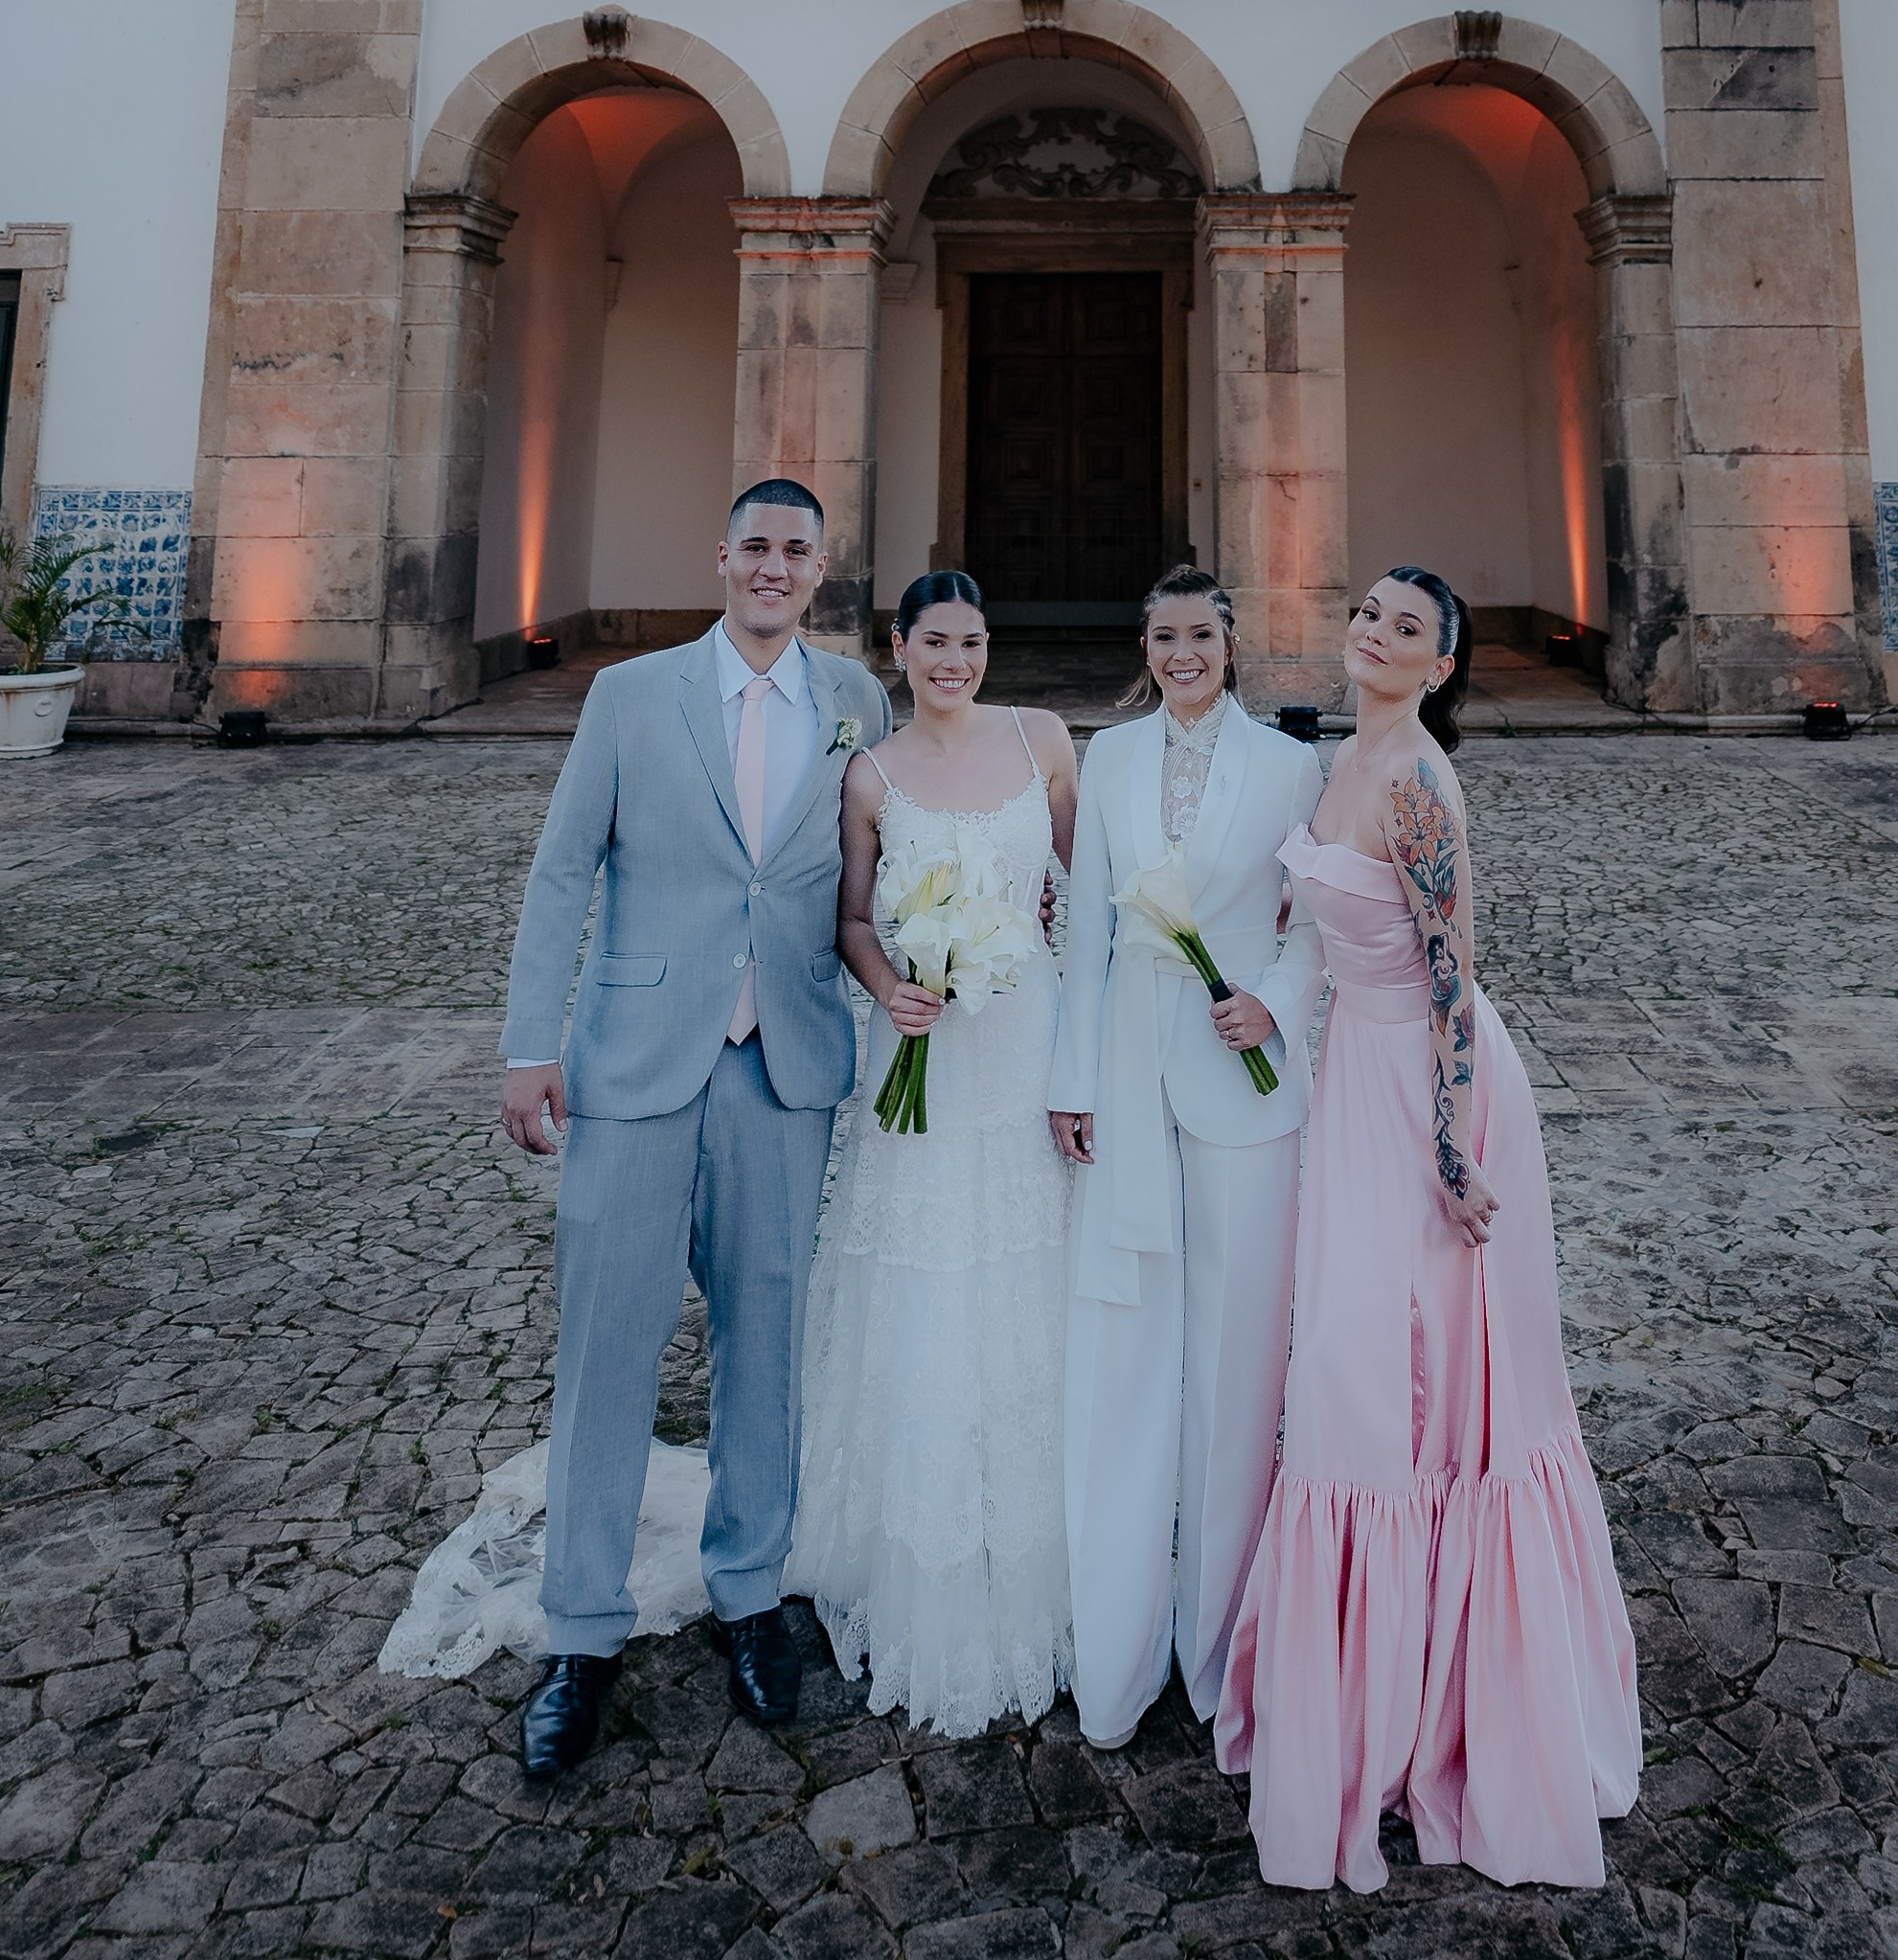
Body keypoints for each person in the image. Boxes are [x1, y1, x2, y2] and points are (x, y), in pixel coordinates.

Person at [1214, 569, 1641, 1892]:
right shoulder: (1339, 756)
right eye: (1369, 613)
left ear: (1442, 664)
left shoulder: (1416, 784)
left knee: (1418, 1379)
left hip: (1430, 1096)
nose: (1376, 633)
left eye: (1407, 627)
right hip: (1355, 1077)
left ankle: (1447, 1698)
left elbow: (1456, 978)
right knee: (1354, 1372)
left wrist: (1456, 1151)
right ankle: (1366, 1694)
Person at [497, 480, 890, 1776]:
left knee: (764, 1337)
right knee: (608, 1341)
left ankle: (750, 1592)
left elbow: (881, 870)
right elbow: (564, 867)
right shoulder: (631, 695)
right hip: (635, 1060)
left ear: (820, 569)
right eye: (756, 546)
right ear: (722, 556)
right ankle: (580, 1631)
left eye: (797, 551)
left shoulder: (856, 702)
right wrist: (529, 1045)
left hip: (784, 1062)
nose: (774, 567)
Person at [786, 572, 1081, 1735]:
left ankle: (1042, 1532)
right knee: (923, 1281)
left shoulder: (1045, 741)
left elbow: (1085, 891)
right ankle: (917, 1540)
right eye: (933, 642)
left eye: (972, 641)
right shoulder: (870, 773)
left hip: (1023, 1044)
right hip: (920, 1051)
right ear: (898, 648)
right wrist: (889, 987)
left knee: (1029, 1268)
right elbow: (854, 919)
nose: (953, 661)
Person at [1050, 567, 1326, 1751]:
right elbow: (1085, 936)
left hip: (1238, 1080)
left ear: (1231, 642)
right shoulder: (1108, 759)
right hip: (1122, 1070)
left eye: (1200, 635)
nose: (1181, 654)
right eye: (1162, 636)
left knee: (1232, 1368)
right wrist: (1069, 1078)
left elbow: (1313, 927)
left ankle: (1217, 1652)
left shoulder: (1289, 767)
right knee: (1122, 1352)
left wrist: (1274, 1005)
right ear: (1145, 645)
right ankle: (1115, 1649)